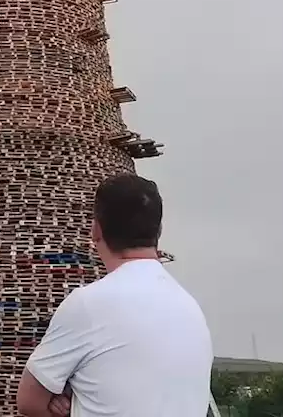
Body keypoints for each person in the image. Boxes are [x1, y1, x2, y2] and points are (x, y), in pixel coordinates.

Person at [15, 173, 214, 417]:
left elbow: (29, 400)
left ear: (96, 229)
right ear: (159, 230)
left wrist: (72, 402)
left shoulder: (89, 305)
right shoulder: (191, 310)